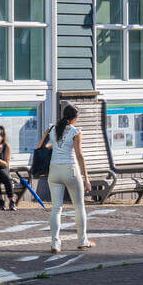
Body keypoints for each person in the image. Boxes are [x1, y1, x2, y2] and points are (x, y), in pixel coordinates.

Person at [44, 102, 95, 254]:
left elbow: (43, 146)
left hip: (54, 170)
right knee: (79, 206)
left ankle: (55, 243)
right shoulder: (75, 131)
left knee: (56, 208)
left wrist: (55, 145)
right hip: (70, 169)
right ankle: (82, 240)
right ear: (75, 118)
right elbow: (79, 155)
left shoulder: (53, 129)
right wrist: (86, 178)